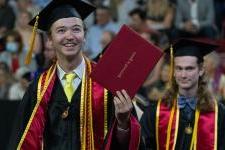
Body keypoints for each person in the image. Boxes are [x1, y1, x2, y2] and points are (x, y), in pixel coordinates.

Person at [7, 0, 140, 149]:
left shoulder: (106, 83)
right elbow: (22, 142)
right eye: (61, 30)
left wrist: (123, 123)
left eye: (76, 29)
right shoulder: (38, 88)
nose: (69, 36)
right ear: (50, 40)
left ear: (84, 36)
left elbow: (128, 143)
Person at [140, 38, 225, 149]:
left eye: (189, 69)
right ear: (174, 72)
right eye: (179, 69)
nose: (183, 75)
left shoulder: (219, 113)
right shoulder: (154, 112)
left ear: (201, 70)